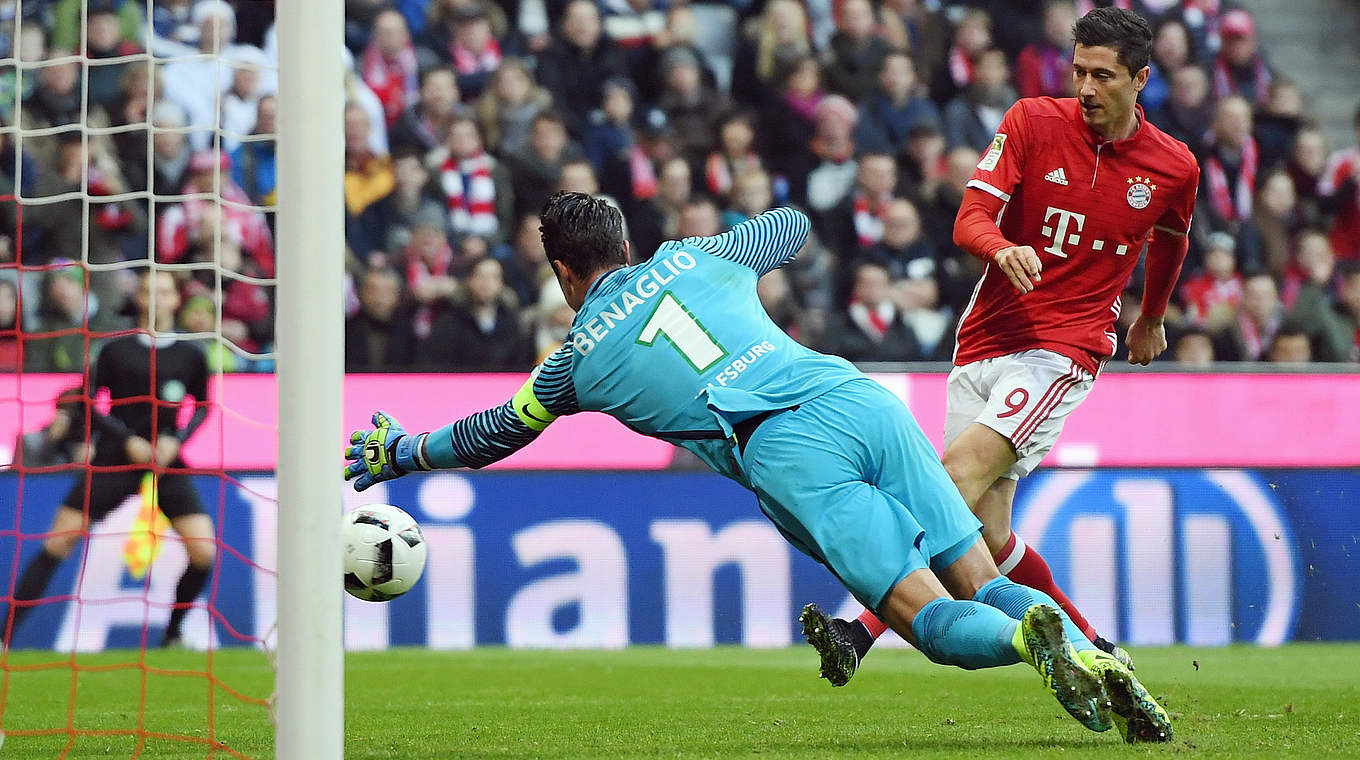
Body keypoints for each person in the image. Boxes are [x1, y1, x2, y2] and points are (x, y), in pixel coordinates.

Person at [345, 191, 1172, 742]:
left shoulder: (574, 361)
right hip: (858, 398)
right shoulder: (695, 256)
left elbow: (495, 432)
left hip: (788, 451)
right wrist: (714, 243)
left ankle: (1035, 644)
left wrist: (404, 451)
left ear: (564, 273)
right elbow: (790, 226)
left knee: (933, 626)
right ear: (626, 242)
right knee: (982, 574)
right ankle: (1090, 653)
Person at [804, 7, 1199, 704]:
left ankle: (858, 631)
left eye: (1102, 75)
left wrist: (1152, 317)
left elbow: (1171, 238)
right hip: (984, 338)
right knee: (987, 536)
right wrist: (1001, 246)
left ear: (1140, 80)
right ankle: (1098, 652)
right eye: (1077, 70)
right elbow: (969, 218)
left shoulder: (1172, 166)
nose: (1085, 86)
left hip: (1062, 348)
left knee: (947, 479)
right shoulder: (1031, 121)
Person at [2, 269, 214, 649]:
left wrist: (176, 440)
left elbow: (202, 406)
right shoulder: (116, 349)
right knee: (58, 542)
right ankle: (4, 637)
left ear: (175, 300)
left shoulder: (191, 354)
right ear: (140, 299)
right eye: (148, 290)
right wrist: (126, 438)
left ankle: (173, 634)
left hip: (164, 459)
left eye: (163, 291)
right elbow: (88, 401)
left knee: (204, 551)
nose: (155, 298)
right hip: (117, 455)